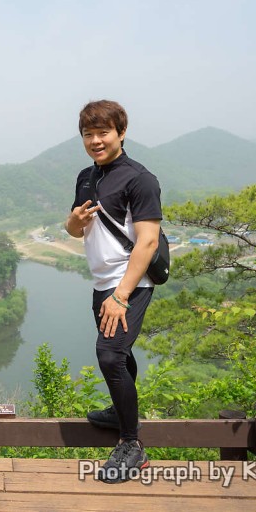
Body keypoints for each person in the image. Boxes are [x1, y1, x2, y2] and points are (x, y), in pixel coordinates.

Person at [65, 99, 162, 483]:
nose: (95, 140)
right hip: (102, 281)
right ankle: (123, 413)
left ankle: (130, 444)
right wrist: (73, 222)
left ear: (121, 132)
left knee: (109, 354)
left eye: (103, 132)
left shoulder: (139, 179)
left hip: (130, 283)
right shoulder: (86, 178)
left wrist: (121, 295)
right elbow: (77, 230)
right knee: (120, 353)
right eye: (88, 134)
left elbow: (148, 242)